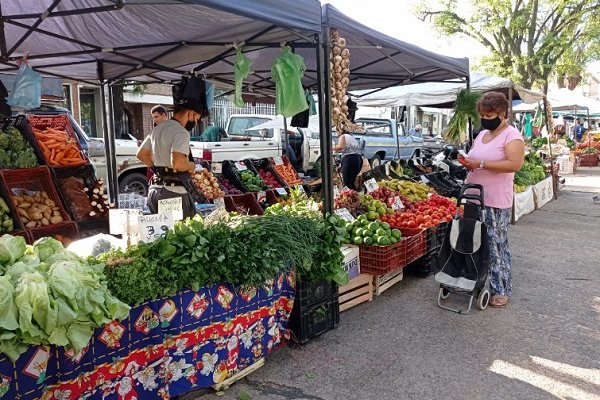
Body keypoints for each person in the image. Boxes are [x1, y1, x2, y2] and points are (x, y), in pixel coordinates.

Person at [458, 91, 525, 308]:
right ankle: (474, 279)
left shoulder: (511, 135)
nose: (486, 119)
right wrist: (468, 162)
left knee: (496, 245)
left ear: (503, 113)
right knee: (474, 241)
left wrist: (481, 164)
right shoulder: (481, 135)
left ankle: (501, 288)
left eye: (490, 115)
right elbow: (476, 158)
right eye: (483, 115)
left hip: (495, 200)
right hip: (474, 196)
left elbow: (515, 164)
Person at [137, 88, 206, 219]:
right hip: (173, 195)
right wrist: (191, 166)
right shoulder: (181, 132)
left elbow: (141, 154)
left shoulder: (158, 129)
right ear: (190, 114)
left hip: (154, 191)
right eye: (196, 118)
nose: (196, 122)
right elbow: (179, 164)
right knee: (182, 235)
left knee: (162, 235)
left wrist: (159, 168)